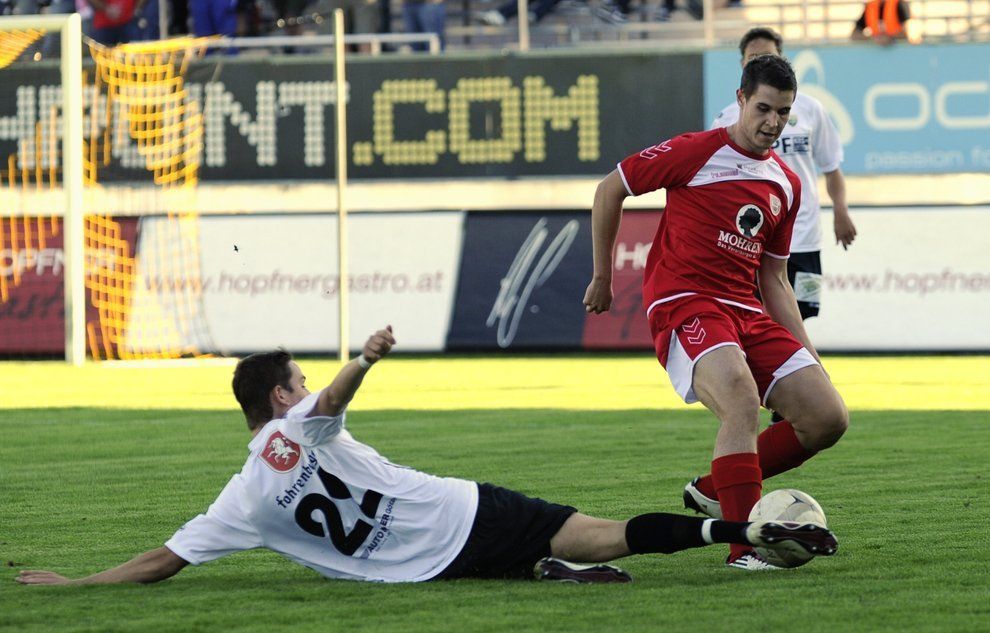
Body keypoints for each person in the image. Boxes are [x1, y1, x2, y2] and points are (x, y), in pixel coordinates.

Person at [15, 326, 837, 586]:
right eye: (298, 378)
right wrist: (362, 359)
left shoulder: (242, 498)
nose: (308, 386)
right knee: (607, 531)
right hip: (462, 511)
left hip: (425, 570)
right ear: (279, 397)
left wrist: (77, 583)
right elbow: (328, 404)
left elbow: (164, 557)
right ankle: (743, 531)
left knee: (561, 552)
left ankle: (546, 571)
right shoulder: (297, 426)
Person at [583, 55, 849, 571]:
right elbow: (610, 188)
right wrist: (602, 276)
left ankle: (711, 490)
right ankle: (743, 548)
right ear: (741, 99)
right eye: (764, 108)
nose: (773, 122)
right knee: (741, 402)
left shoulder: (787, 185)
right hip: (686, 302)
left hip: (746, 311)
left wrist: (809, 355)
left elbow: (774, 281)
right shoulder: (696, 151)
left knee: (827, 417)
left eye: (784, 112)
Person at [710, 29, 855, 343]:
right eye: (754, 57)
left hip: (804, 238)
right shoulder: (726, 119)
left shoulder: (811, 109)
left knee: (799, 319)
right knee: (754, 320)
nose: (762, 62)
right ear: (742, 64)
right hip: (753, 241)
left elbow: (831, 167)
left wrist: (841, 211)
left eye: (769, 56)